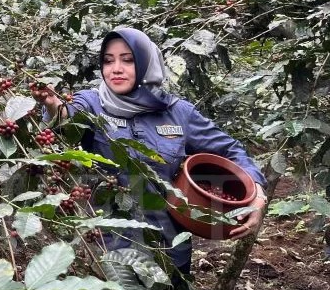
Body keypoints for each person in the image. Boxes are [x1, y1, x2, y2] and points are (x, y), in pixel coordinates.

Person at [31, 26, 268, 275]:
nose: (116, 69)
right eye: (108, 61)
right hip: (110, 245)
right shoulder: (92, 103)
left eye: (128, 60)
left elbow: (230, 151)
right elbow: (67, 116)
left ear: (147, 63)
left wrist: (258, 196)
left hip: (169, 245)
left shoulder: (178, 112)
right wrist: (52, 104)